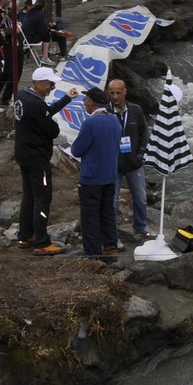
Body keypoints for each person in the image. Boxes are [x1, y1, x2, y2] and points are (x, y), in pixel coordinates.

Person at [13, 66, 77, 254]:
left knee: (29, 196)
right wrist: (55, 126)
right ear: (38, 83)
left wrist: (66, 98)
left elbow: (45, 112)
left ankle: (25, 235)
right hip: (37, 158)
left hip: (23, 154)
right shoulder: (36, 104)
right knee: (42, 198)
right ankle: (41, 241)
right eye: (49, 84)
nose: (51, 87)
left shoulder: (22, 97)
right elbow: (52, 129)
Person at [70, 87, 121, 261]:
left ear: (92, 102)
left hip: (91, 177)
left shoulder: (90, 123)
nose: (84, 102)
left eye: (86, 100)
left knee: (90, 215)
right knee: (107, 211)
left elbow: (76, 150)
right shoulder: (114, 119)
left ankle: (92, 253)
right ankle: (110, 246)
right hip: (110, 175)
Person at [105, 78, 150, 244]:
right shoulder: (105, 112)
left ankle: (140, 228)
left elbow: (144, 133)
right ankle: (112, 233)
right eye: (112, 93)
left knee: (140, 198)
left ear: (125, 92)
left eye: (118, 92)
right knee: (113, 201)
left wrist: (141, 154)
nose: (115, 96)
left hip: (134, 163)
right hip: (113, 165)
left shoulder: (136, 110)